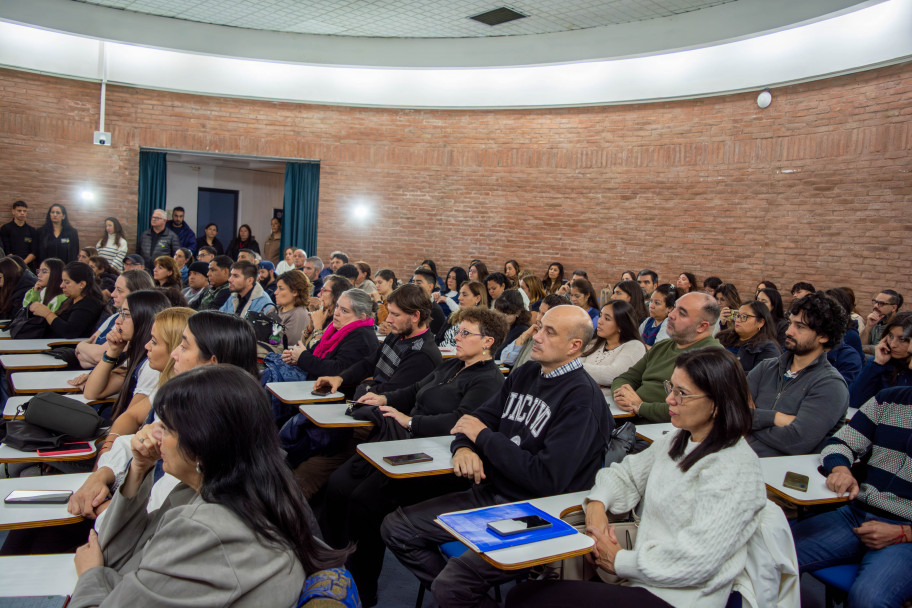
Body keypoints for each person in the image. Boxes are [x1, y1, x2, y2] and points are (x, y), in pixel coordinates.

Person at [381, 305, 612, 608]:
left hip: (536, 511)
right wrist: (464, 447)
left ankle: (454, 591)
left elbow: (546, 479)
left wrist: (483, 439)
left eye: (549, 332)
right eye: (539, 327)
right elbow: (474, 420)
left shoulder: (582, 399)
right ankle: (455, 592)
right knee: (397, 528)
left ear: (574, 346)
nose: (536, 336)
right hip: (492, 492)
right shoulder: (527, 372)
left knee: (452, 587)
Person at [67, 365, 349, 608]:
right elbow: (118, 556)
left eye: (166, 427)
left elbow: (110, 566)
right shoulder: (242, 491)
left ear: (202, 445)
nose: (154, 434)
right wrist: (139, 469)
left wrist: (90, 576)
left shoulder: (204, 529)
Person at [507, 347, 766, 608]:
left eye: (682, 393)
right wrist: (597, 505)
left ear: (717, 404)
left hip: (680, 597)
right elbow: (626, 473)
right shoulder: (680, 439)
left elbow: (698, 560)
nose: (669, 400)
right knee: (525, 594)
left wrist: (619, 560)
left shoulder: (734, 467)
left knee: (526, 598)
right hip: (643, 578)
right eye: (671, 388)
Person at [323, 307, 508, 603]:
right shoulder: (452, 365)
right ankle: (331, 563)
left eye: (465, 333)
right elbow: (414, 390)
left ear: (488, 342)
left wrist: (411, 421)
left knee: (365, 501)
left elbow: (459, 422)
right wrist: (384, 398)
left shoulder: (489, 380)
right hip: (409, 445)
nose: (456, 337)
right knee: (338, 484)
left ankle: (362, 589)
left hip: (441, 463)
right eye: (458, 331)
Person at [67, 306, 194, 522]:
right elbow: (129, 419)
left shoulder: (187, 405)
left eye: (154, 341)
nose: (147, 345)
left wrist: (105, 506)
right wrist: (103, 468)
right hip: (127, 479)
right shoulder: (166, 383)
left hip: (145, 508)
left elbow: (158, 501)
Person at [790, 384, 912, 608]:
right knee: (770, 552)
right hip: (857, 514)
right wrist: (841, 470)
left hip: (906, 531)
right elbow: (840, 443)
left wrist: (904, 533)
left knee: (869, 599)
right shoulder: (889, 399)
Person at [747, 291, 850, 457]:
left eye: (800, 327)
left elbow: (796, 441)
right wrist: (775, 418)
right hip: (738, 458)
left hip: (780, 468)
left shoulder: (830, 384)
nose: (789, 331)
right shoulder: (766, 367)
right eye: (790, 323)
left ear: (823, 336)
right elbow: (728, 414)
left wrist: (748, 423)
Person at [313, 283, 442, 400]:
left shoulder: (421, 354)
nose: (388, 319)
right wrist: (340, 378)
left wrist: (364, 386)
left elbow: (390, 393)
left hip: (382, 412)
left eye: (395, 314)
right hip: (369, 402)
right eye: (389, 313)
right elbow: (369, 363)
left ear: (415, 316)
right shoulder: (398, 335)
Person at [611, 292, 722, 422]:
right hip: (627, 416)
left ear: (702, 326)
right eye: (674, 308)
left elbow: (693, 408)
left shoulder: (713, 357)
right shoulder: (662, 346)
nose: (671, 315)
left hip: (662, 428)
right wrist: (621, 395)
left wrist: (641, 407)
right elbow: (626, 378)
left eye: (682, 313)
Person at [81, 290, 171, 428]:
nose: (117, 321)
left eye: (126, 315)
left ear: (144, 318)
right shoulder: (137, 354)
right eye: (120, 314)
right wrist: (113, 351)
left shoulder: (151, 365)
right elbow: (91, 392)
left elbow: (132, 421)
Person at [73, 269, 155, 369]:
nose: (112, 294)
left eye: (119, 290)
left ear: (136, 294)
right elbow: (86, 354)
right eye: (114, 288)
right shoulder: (114, 317)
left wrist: (81, 345)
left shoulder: (134, 324)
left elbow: (98, 356)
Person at [581, 300, 647, 397]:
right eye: (600, 316)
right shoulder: (595, 343)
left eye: (607, 319)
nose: (599, 321)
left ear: (621, 325)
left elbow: (613, 375)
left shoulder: (634, 346)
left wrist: (580, 370)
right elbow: (574, 372)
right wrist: (597, 381)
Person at [849, 312, 912, 407]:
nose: (893, 344)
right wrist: (877, 364)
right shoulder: (879, 364)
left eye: (902, 339)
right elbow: (853, 401)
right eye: (891, 336)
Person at [29, 261, 106, 338]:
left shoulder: (89, 304)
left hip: (61, 345)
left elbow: (69, 332)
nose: (61, 285)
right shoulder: (72, 299)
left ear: (82, 284)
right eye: (62, 281)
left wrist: (47, 314)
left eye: (67, 282)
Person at [498, 294, 569, 369]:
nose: (538, 318)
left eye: (544, 314)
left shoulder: (553, 344)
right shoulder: (532, 332)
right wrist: (525, 335)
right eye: (539, 312)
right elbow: (506, 359)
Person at [716, 300, 781, 374]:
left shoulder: (768, 349)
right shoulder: (724, 337)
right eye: (737, 316)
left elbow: (758, 377)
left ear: (760, 322)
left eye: (744, 317)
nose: (738, 320)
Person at [301, 274, 352, 350]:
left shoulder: (339, 322)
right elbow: (304, 344)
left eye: (324, 291)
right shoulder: (324, 315)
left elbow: (318, 352)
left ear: (336, 295)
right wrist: (310, 327)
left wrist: (318, 327)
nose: (319, 294)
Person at [436, 280, 488, 347]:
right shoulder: (454, 316)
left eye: (464, 295)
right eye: (460, 294)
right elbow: (438, 339)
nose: (459, 298)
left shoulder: (484, 321)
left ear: (477, 298)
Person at [271, 269, 311, 345]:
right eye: (277, 288)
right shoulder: (275, 309)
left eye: (281, 288)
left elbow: (287, 344)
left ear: (295, 292)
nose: (275, 292)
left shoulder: (299, 315)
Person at [861, 289, 903, 355]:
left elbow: (886, 349)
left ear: (894, 308)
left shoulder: (901, 324)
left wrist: (861, 348)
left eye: (881, 303)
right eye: (875, 302)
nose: (875, 306)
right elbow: (861, 344)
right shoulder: (878, 318)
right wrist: (868, 327)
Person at [493, 289, 531, 360]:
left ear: (518, 312)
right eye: (499, 312)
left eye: (506, 313)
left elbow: (498, 354)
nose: (502, 316)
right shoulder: (498, 325)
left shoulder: (522, 330)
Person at [0, 200, 37, 267]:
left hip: (28, 266)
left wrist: (23, 263)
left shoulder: (32, 230)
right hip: (11, 265)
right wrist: (16, 265)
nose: (22, 213)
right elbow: (6, 250)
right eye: (19, 211)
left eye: (24, 211)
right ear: (13, 211)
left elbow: (34, 252)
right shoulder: (6, 228)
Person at [412, 266, 446, 335]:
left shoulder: (435, 311)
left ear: (430, 286)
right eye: (413, 282)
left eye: (418, 283)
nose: (414, 286)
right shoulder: (411, 305)